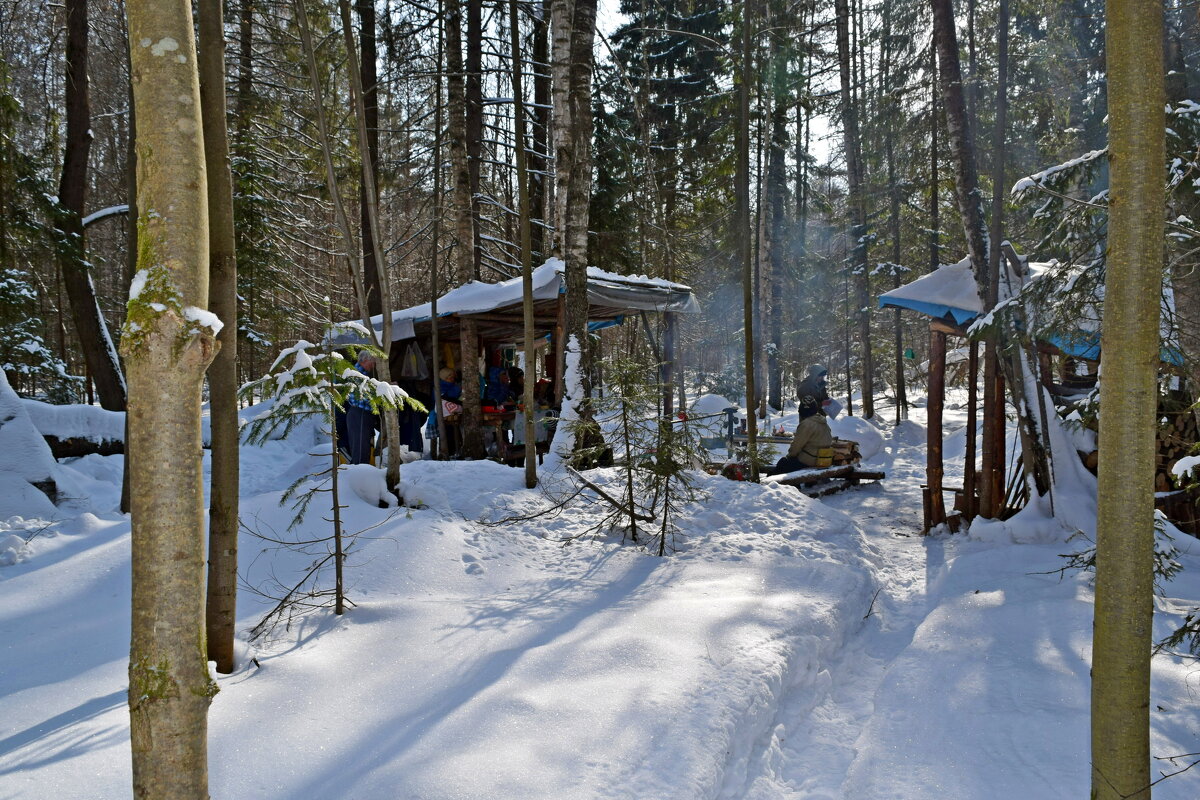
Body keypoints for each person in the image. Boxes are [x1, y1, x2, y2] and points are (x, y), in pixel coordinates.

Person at [770, 395, 833, 474]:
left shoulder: (807, 424)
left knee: (783, 463)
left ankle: (772, 483)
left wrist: (789, 457)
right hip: (824, 459)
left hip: (811, 460)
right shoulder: (823, 422)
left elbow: (796, 446)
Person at [345, 350, 379, 464]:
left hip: (361, 414)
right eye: (372, 361)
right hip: (359, 414)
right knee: (360, 449)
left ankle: (362, 473)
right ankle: (359, 476)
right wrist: (384, 388)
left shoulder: (363, 373)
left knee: (363, 448)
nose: (373, 365)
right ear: (365, 360)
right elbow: (366, 395)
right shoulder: (358, 373)